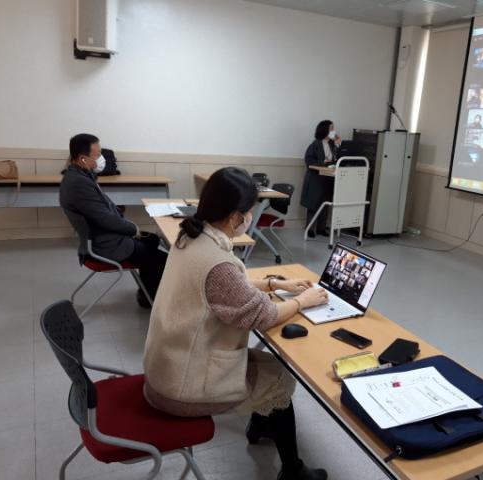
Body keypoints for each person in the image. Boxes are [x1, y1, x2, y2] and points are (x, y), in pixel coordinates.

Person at [143, 167, 330, 480]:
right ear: (234, 217)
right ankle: (293, 471)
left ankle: (261, 424)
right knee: (279, 378)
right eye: (250, 211)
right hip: (181, 388)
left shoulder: (191, 236)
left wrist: (274, 283)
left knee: (268, 367)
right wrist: (302, 302)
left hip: (167, 366)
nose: (250, 217)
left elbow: (229, 286)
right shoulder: (217, 264)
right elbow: (263, 315)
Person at [59, 133, 167, 308]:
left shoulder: (79, 176)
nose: (101, 158)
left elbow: (101, 210)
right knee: (162, 259)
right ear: (83, 159)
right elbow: (105, 220)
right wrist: (132, 229)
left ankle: (146, 292)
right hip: (104, 245)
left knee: (153, 240)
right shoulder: (79, 183)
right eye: (97, 155)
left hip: (103, 236)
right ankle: (150, 300)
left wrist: (121, 218)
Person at [301, 120, 340, 238]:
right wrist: (323, 163)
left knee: (325, 203)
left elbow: (337, 158)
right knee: (313, 203)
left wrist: (338, 143)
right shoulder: (315, 144)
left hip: (328, 178)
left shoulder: (332, 144)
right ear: (324, 130)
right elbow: (309, 160)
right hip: (316, 178)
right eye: (331, 129)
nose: (333, 131)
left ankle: (321, 228)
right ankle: (310, 228)